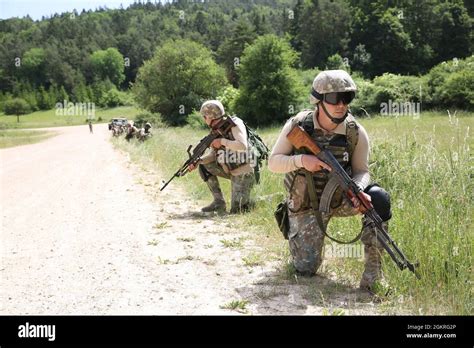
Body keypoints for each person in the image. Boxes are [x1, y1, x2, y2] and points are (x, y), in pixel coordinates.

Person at [268, 70, 392, 291]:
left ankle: (373, 275)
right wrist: (302, 160)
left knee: (378, 199)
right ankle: (294, 225)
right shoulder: (298, 125)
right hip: (305, 203)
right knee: (305, 269)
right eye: (335, 98)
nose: (341, 105)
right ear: (319, 100)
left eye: (347, 98)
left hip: (341, 199)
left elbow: (362, 171)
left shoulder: (355, 132)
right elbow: (273, 163)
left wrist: (359, 189)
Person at [188, 100, 256, 214]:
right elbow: (213, 155)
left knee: (238, 211)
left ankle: (269, 200)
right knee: (204, 166)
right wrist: (198, 161)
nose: (204, 119)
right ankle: (218, 202)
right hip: (230, 168)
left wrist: (222, 141)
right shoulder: (215, 130)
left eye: (205, 116)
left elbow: (242, 146)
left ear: (210, 116)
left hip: (243, 172)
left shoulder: (235, 124)